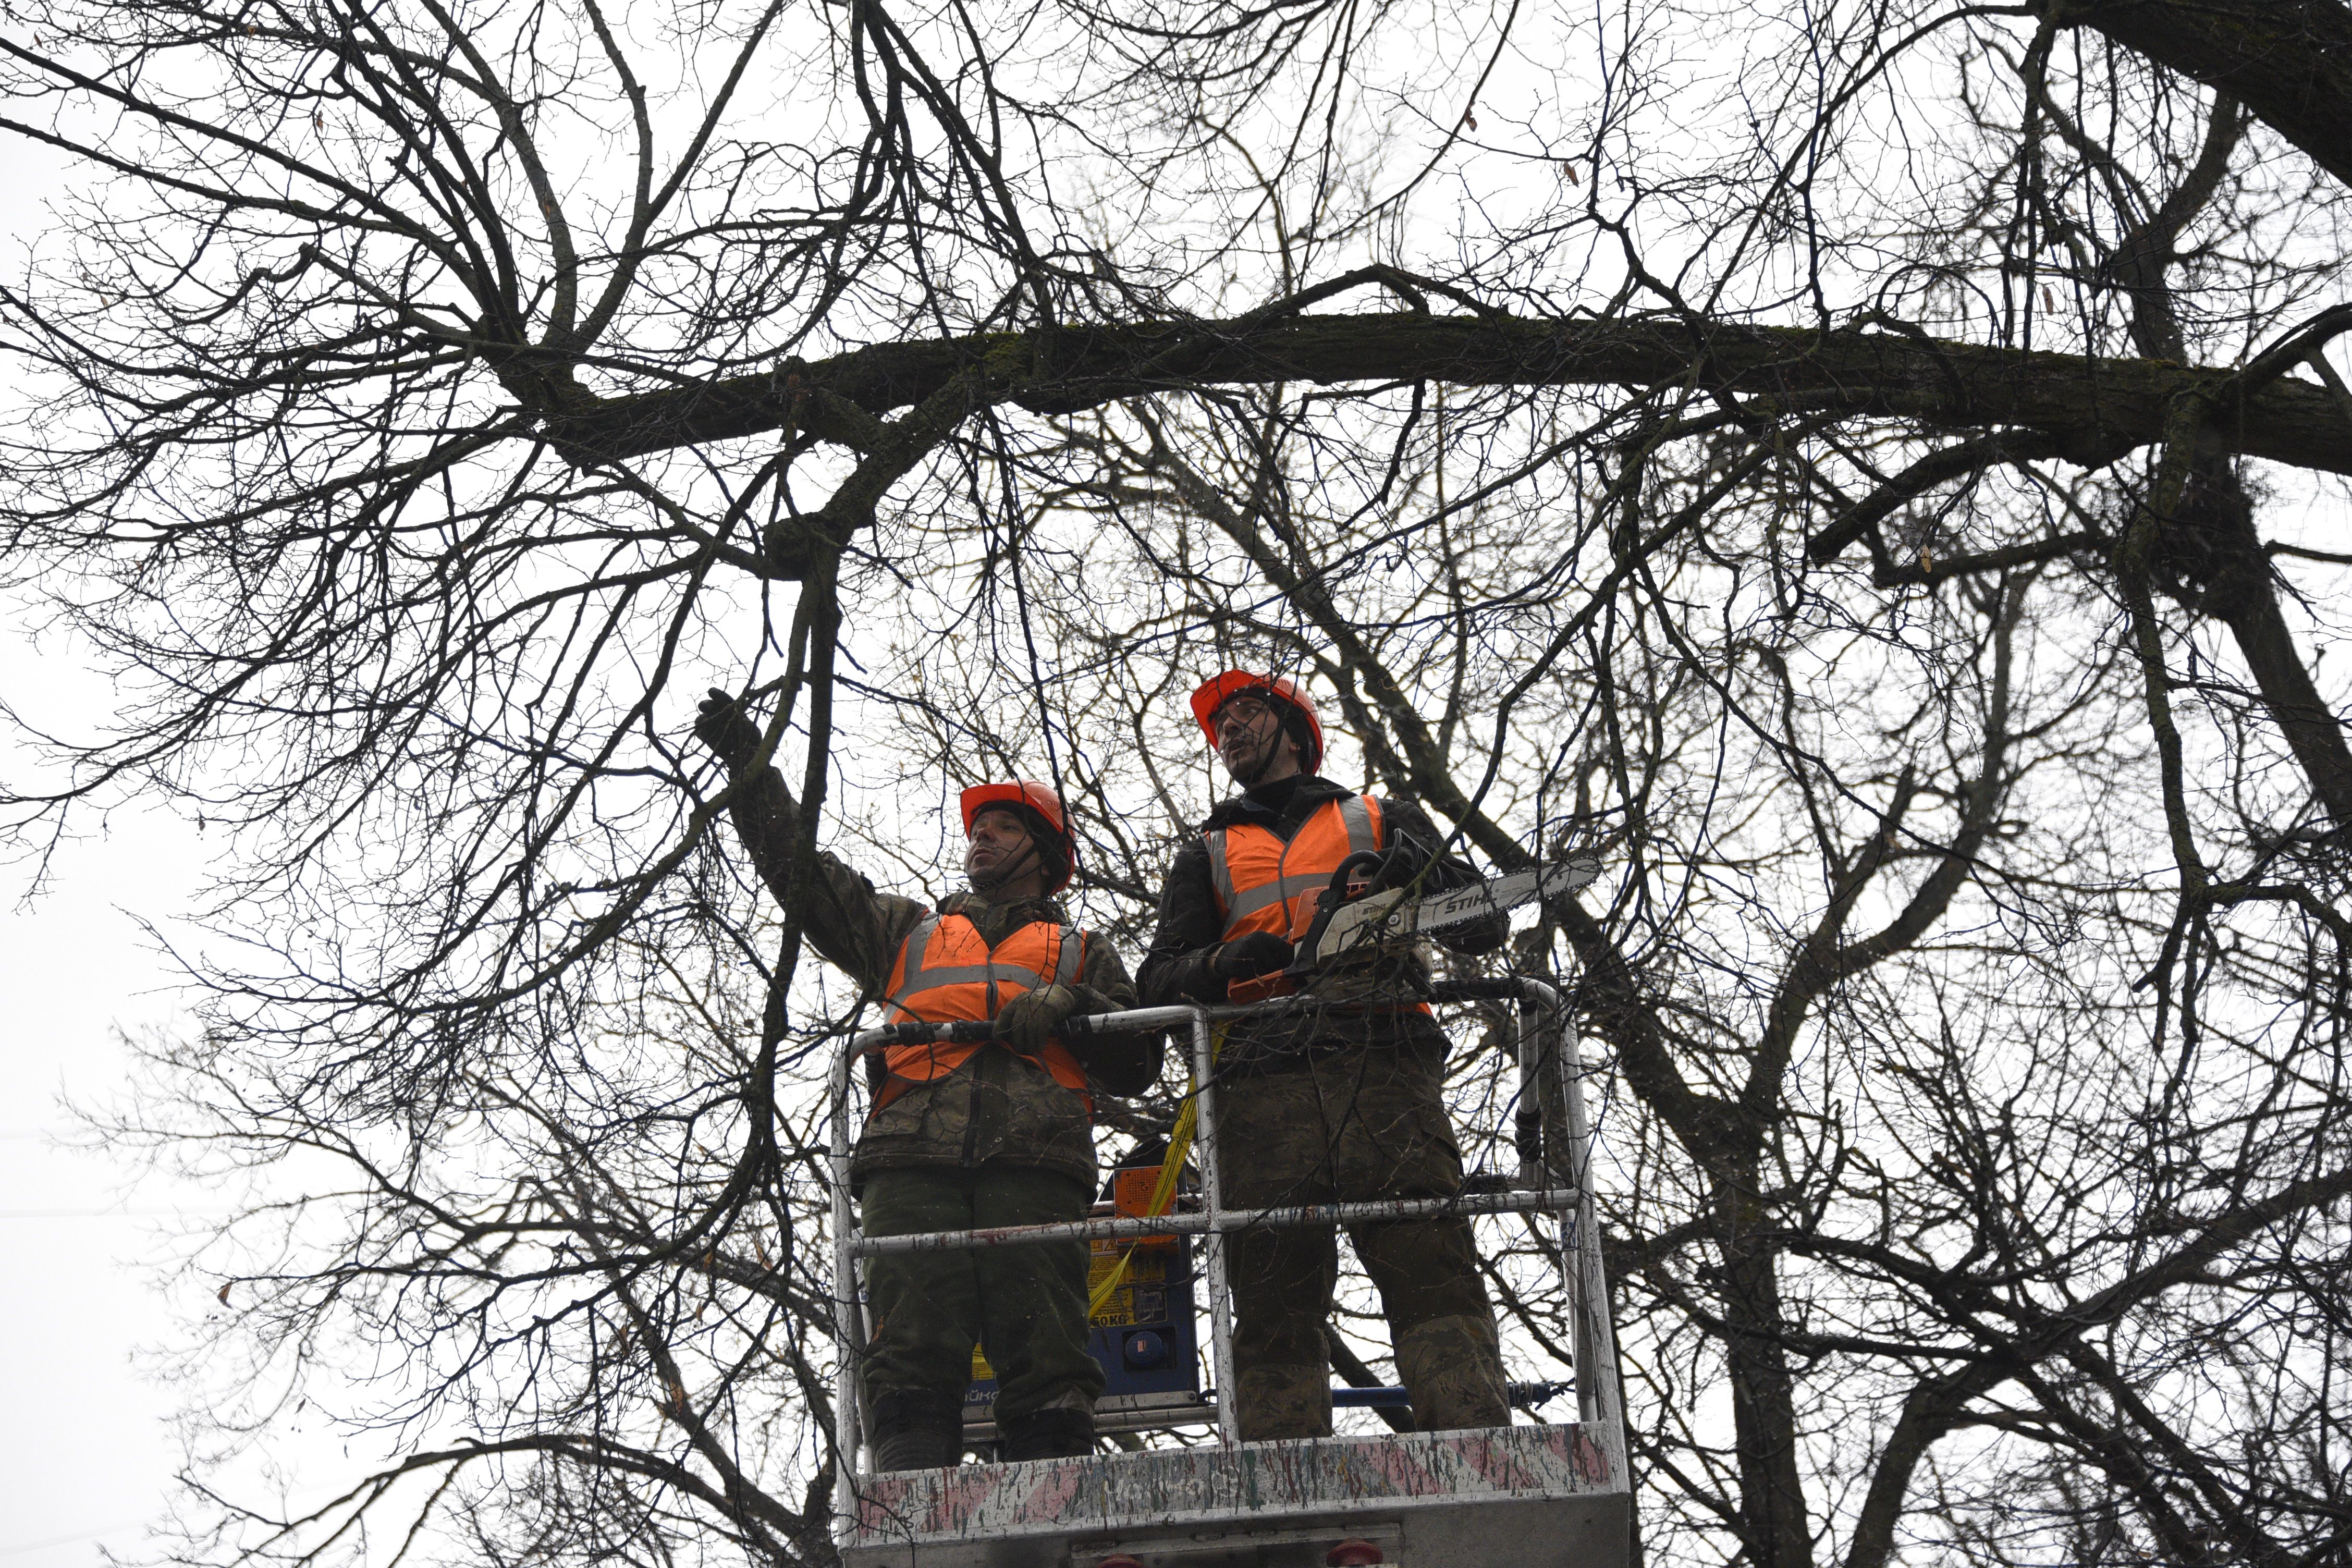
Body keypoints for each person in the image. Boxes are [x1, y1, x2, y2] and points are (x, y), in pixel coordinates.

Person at [692, 690, 1154, 1470]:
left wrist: (1071, 1003)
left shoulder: (1085, 951)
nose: (981, 836)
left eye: (1004, 827)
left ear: (1043, 853)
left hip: (1036, 1158)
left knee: (1044, 1336)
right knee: (908, 1338)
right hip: (910, 1156)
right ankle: (910, 1498)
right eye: (977, 827)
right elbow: (806, 880)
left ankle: (1054, 1483)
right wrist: (753, 769)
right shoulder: (909, 929)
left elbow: (1140, 1062)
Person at [1138, 670, 1513, 1442]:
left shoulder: (1379, 818)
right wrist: (1221, 964)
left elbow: (1480, 928)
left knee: (1430, 1264)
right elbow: (1156, 982)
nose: (1230, 731)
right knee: (1274, 1295)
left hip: (1384, 1064)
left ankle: (1475, 1441)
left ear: (1294, 732)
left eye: (1246, 715)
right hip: (1259, 1081)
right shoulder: (1206, 852)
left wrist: (1416, 868)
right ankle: (1281, 1468)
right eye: (1221, 726)